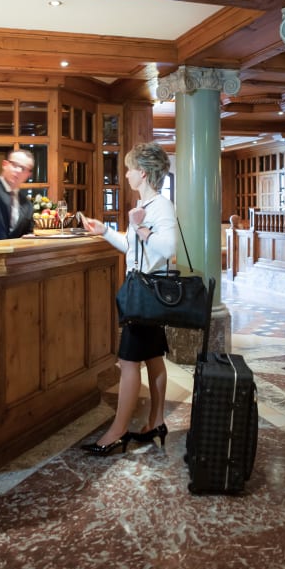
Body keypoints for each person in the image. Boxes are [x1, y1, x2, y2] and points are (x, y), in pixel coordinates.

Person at [80, 142, 177, 456]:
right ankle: (156, 422)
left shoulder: (160, 206)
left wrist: (140, 227)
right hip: (144, 293)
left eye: (130, 169)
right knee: (153, 357)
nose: (126, 174)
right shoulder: (145, 205)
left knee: (128, 361)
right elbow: (132, 249)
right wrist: (105, 231)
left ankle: (118, 431)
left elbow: (167, 247)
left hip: (146, 295)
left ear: (143, 173)